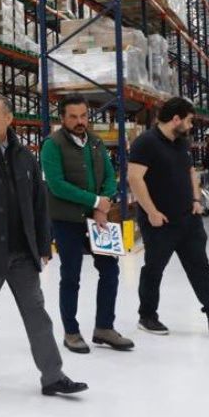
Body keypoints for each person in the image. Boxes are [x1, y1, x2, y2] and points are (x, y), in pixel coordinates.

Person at [0, 94, 87, 397]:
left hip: (23, 252)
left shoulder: (25, 157)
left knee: (37, 313)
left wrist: (42, 244)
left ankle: (52, 376)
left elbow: (39, 204)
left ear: (9, 118)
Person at [128, 97, 209, 335]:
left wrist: (195, 200)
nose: (191, 126)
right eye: (190, 121)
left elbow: (190, 172)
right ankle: (147, 316)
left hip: (188, 220)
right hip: (160, 222)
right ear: (176, 119)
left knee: (199, 267)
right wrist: (151, 212)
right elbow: (135, 178)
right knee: (154, 269)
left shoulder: (181, 142)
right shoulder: (146, 143)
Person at [40, 94, 134, 354]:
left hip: (98, 221)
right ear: (63, 118)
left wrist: (104, 202)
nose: (80, 121)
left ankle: (104, 327)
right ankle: (71, 332)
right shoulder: (52, 145)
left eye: (83, 116)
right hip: (67, 221)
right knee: (71, 276)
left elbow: (109, 177)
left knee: (110, 270)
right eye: (74, 116)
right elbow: (57, 185)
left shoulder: (95, 142)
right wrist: (95, 201)